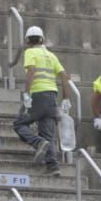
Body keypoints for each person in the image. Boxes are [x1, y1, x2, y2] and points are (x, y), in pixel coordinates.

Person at [13, 25, 68, 174]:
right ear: (42, 39)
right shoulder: (51, 55)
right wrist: (66, 99)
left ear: (27, 40)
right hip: (52, 97)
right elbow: (64, 76)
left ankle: (39, 143)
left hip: (37, 95)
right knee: (47, 134)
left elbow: (31, 71)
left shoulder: (30, 52)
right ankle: (53, 166)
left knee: (19, 124)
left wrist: (27, 93)